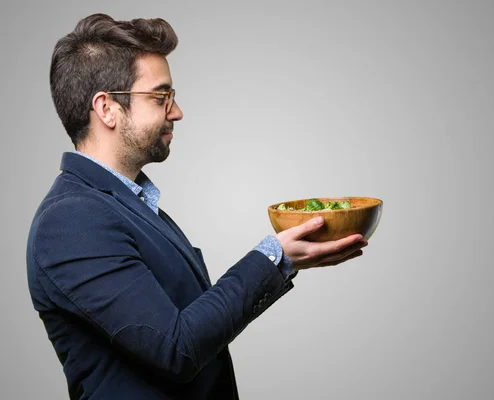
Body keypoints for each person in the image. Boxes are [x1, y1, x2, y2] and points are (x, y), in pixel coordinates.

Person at [26, 13, 368, 400]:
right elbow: (176, 347)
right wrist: (276, 257)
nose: (176, 111)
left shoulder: (131, 206)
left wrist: (287, 259)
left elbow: (197, 327)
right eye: (161, 97)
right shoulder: (71, 221)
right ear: (106, 108)